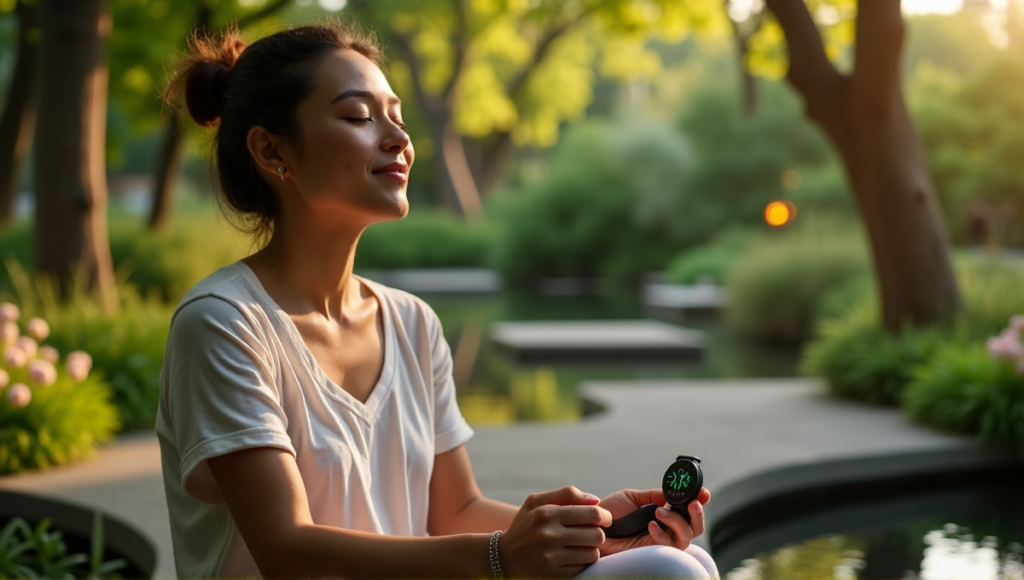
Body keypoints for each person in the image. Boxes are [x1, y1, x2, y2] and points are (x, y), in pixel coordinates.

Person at [156, 20, 719, 580]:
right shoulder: (223, 325)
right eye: (357, 117)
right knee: (676, 575)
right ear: (272, 149)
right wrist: (500, 557)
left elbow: (454, 512)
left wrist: (597, 528)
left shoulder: (411, 322)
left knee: (683, 556)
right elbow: (286, 549)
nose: (398, 139)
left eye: (397, 118)